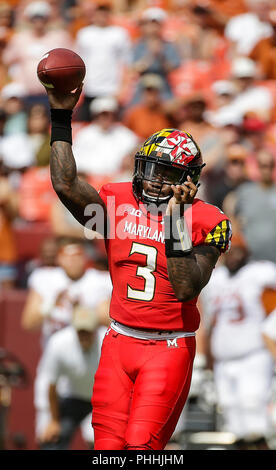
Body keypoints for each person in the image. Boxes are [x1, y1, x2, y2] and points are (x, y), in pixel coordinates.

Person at [43, 83, 232, 451]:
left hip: (167, 347)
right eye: (150, 169)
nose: (154, 180)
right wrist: (61, 116)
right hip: (117, 341)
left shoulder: (205, 219)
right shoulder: (116, 200)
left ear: (189, 180)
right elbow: (65, 184)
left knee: (141, 448)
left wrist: (175, 220)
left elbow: (186, 288)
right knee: (107, 449)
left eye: (166, 173)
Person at [21, 237, 112, 445]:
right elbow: (28, 321)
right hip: (58, 365)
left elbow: (110, 315)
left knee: (99, 438)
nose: (73, 261)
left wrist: (80, 311)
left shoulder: (100, 280)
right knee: (50, 437)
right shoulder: (45, 278)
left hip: (92, 365)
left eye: (78, 255)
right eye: (67, 255)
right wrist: (51, 305)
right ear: (59, 258)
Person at [199, 234, 276, 450]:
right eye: (228, 252)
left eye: (237, 251)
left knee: (253, 411)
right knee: (232, 414)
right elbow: (210, 321)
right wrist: (208, 357)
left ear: (247, 252)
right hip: (224, 358)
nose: (232, 256)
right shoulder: (216, 279)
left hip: (253, 354)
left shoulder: (260, 273)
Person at [38, 305, 101, 450]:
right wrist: (53, 421)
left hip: (102, 401)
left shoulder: (108, 341)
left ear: (95, 329)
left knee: (101, 440)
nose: (84, 335)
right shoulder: (58, 343)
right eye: (80, 331)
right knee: (52, 439)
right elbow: (51, 385)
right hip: (72, 396)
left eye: (88, 331)